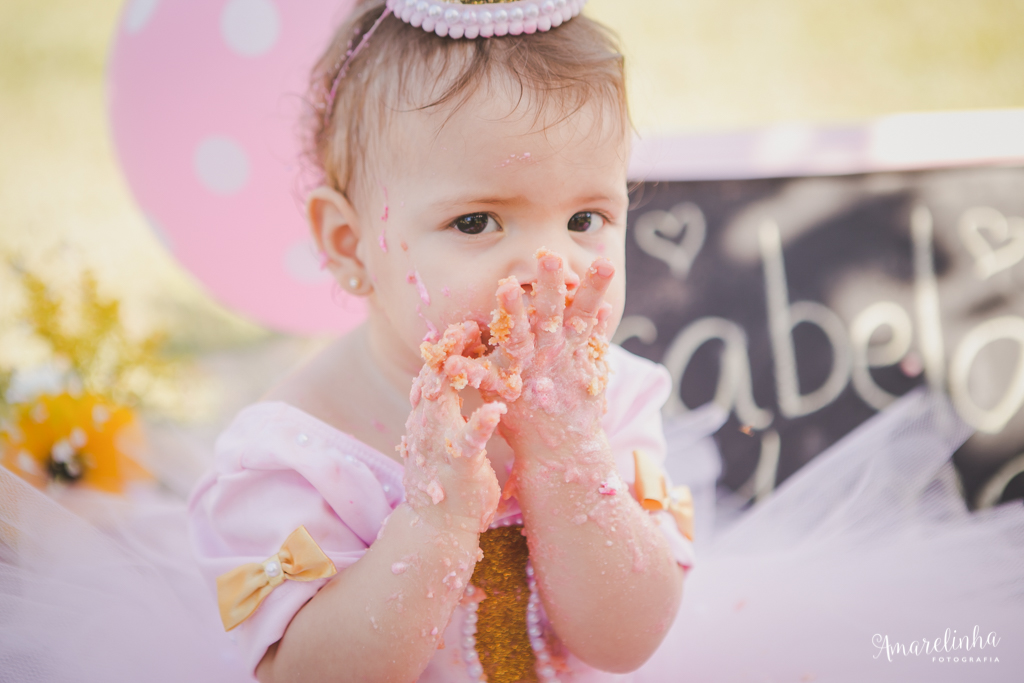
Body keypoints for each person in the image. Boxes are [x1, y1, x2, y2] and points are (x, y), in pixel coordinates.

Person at [187, 2, 694, 682]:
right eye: (477, 221)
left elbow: (627, 641)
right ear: (349, 243)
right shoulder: (302, 447)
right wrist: (434, 521)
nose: (550, 267)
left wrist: (569, 462)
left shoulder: (614, 398)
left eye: (584, 217)